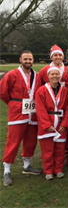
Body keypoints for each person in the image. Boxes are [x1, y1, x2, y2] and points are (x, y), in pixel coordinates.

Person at [0, 50, 42, 186]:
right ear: (20, 60)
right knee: (13, 141)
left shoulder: (37, 76)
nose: (28, 61)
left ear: (33, 60)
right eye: (25, 59)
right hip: (18, 112)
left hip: (33, 112)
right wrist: (13, 103)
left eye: (30, 59)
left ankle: (27, 165)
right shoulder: (12, 75)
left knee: (30, 141)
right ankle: (6, 170)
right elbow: (3, 92)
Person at [39, 44, 68, 166]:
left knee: (66, 131)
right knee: (49, 131)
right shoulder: (44, 71)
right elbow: (39, 89)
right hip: (51, 107)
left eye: (60, 55)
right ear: (51, 57)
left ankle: (65, 154)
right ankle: (50, 157)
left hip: (66, 104)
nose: (58, 57)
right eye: (55, 55)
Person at [35, 67, 68, 180]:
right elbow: (40, 109)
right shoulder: (41, 90)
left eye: (57, 74)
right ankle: (48, 170)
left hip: (60, 123)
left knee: (60, 149)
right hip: (48, 123)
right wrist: (46, 125)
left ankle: (58, 169)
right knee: (47, 150)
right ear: (48, 76)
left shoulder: (65, 91)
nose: (55, 76)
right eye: (52, 74)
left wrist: (65, 124)